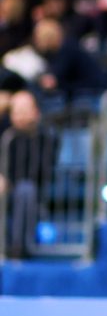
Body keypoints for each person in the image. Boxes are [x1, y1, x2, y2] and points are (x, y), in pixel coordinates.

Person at [0, 90, 58, 259]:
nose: (20, 116)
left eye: (24, 111)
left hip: (32, 191)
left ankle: (19, 249)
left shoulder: (47, 136)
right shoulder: (6, 135)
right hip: (7, 191)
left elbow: (40, 172)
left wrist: (8, 181)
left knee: (26, 189)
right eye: (16, 112)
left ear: (36, 112)